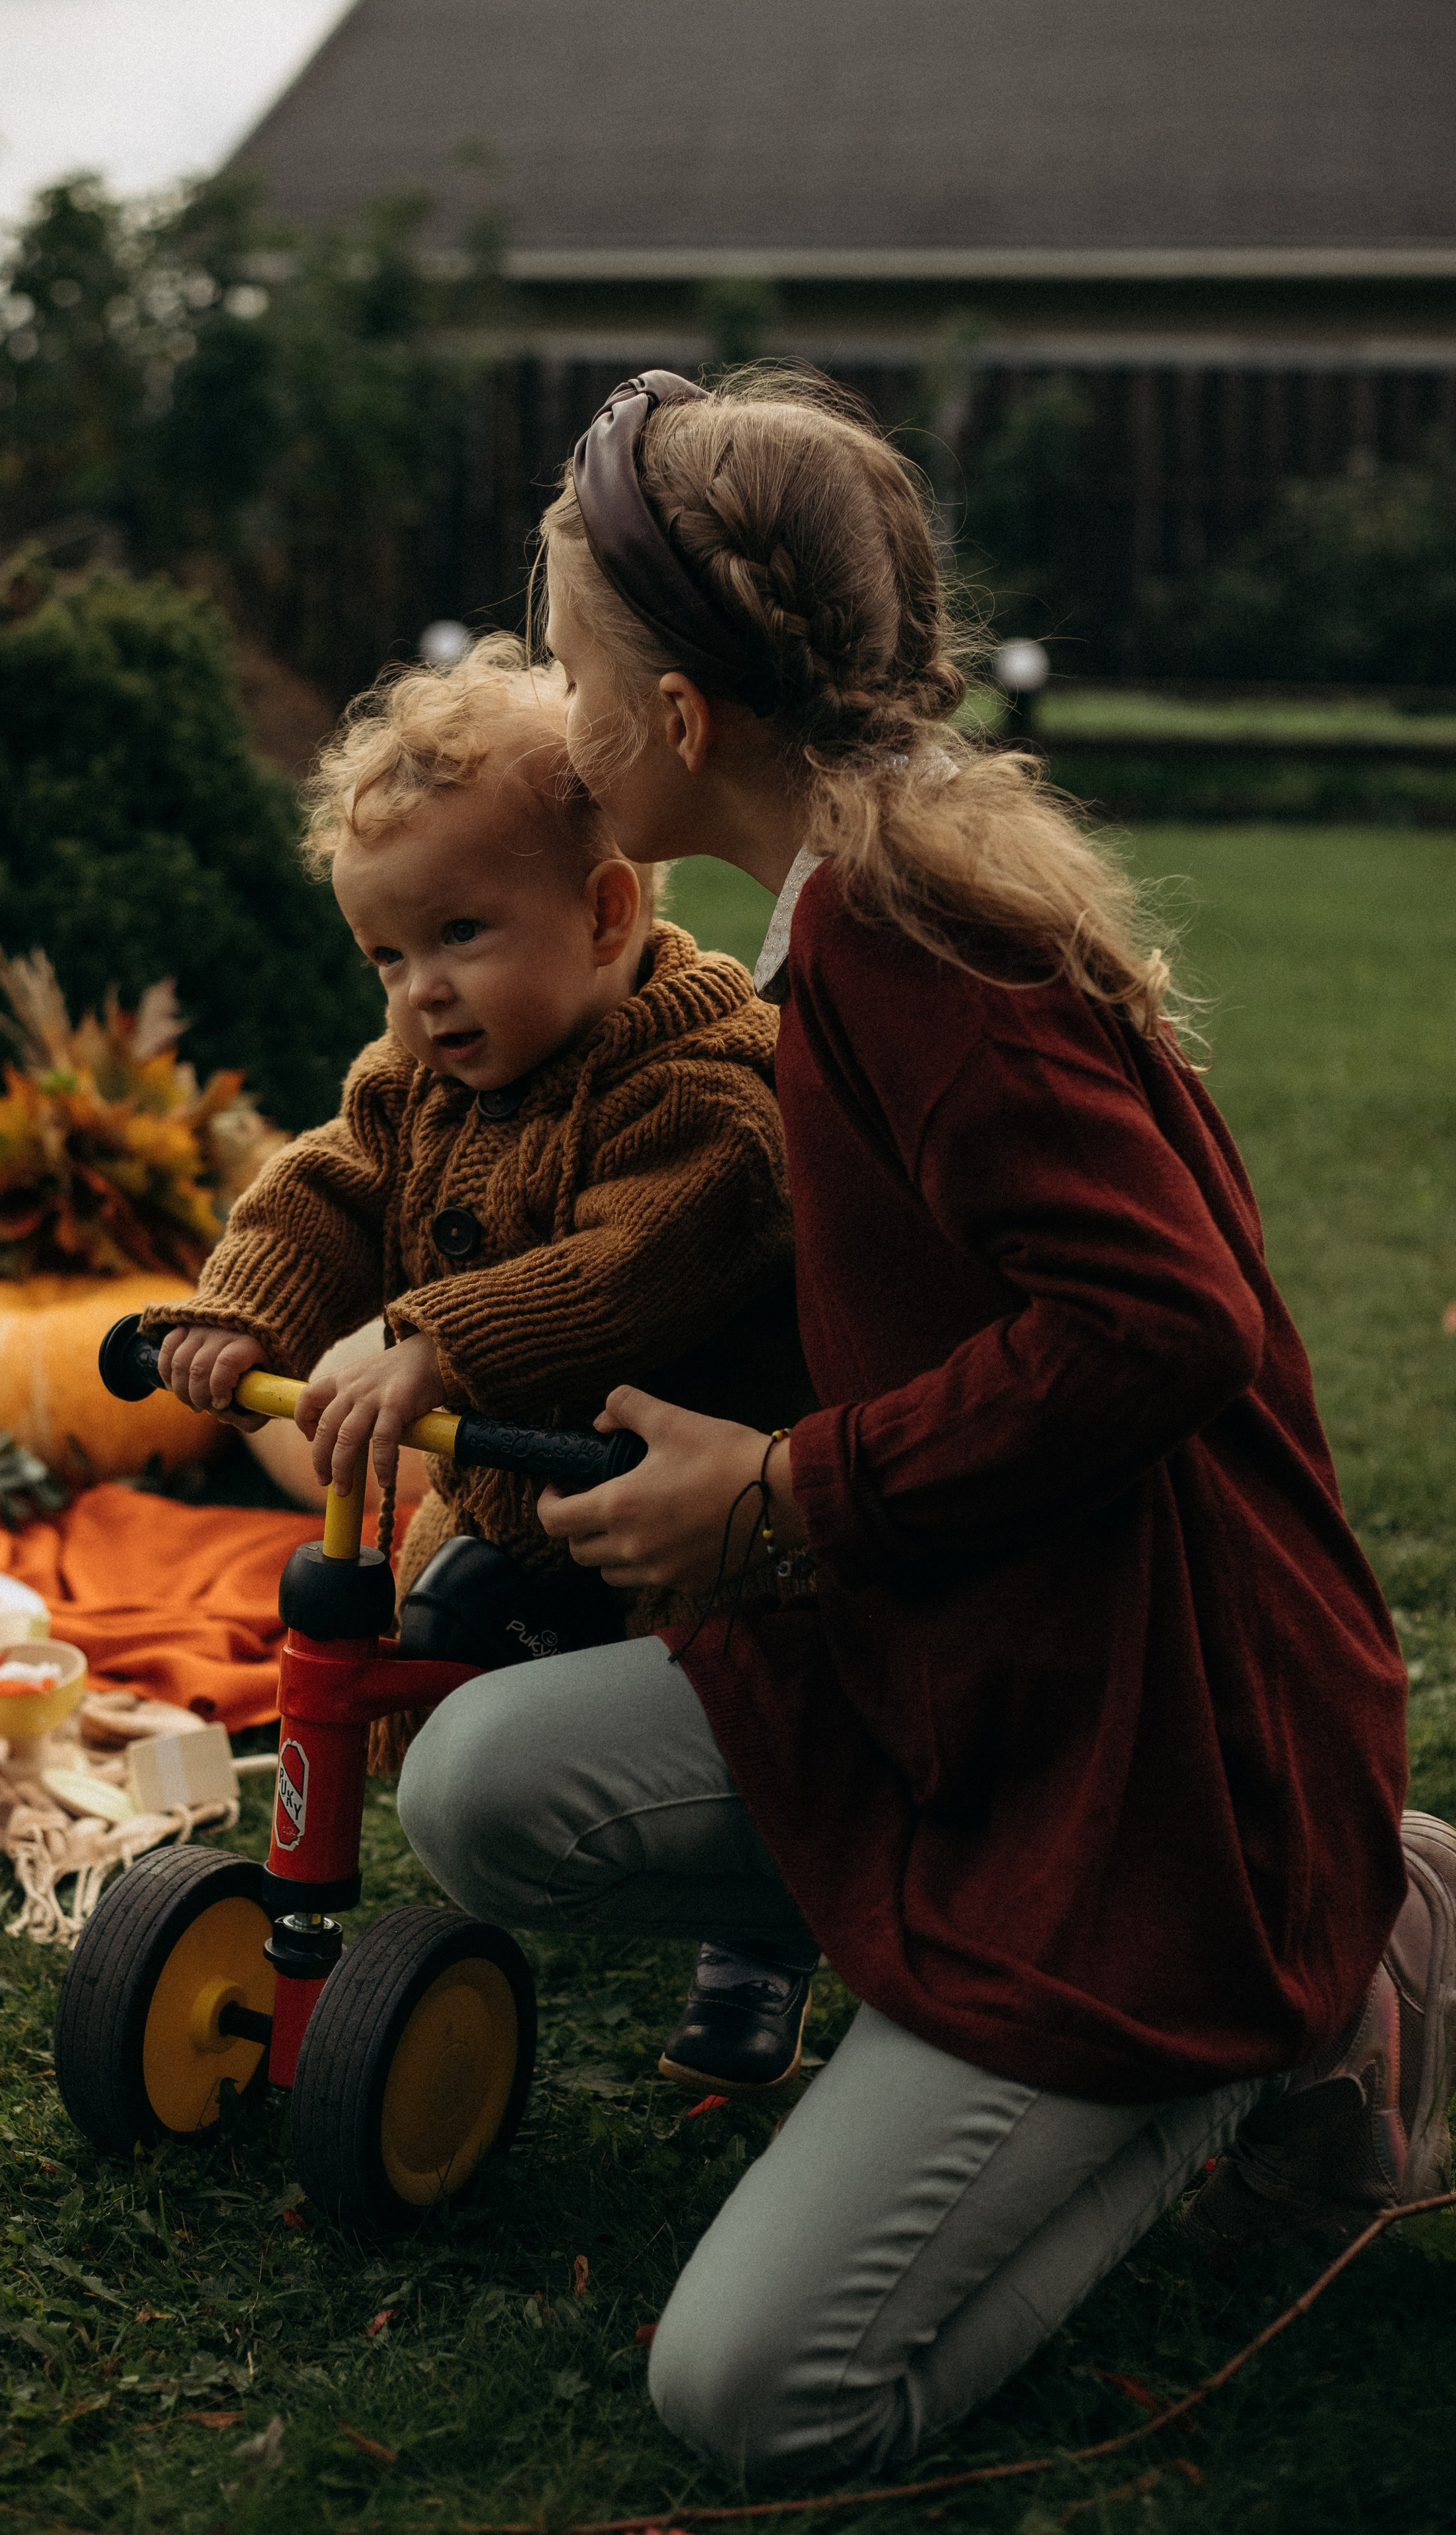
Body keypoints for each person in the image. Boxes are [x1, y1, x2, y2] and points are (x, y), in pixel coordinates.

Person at [393, 370, 1455, 2481]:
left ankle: (1275, 2029)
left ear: (684, 719)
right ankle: (1122, 1974)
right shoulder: (841, 911)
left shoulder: (908, 945)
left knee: (763, 2396)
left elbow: (1173, 1324)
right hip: (985, 1648)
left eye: (572, 663)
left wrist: (787, 1493)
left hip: (1154, 1746)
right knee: (489, 1788)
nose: (551, 703)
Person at [149, 635, 816, 2093]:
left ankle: (762, 1926)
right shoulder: (423, 1079)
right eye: (385, 956)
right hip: (518, 1505)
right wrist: (242, 1309)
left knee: (741, 1744)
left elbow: (634, 1265)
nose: (417, 996)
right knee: (412, 1681)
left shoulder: (704, 1088)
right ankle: (495, 1854)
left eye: (458, 936)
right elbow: (331, 1181)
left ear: (601, 911)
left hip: (698, 1542)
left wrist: (435, 1338)